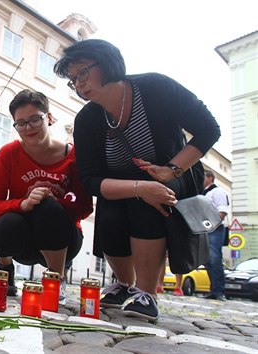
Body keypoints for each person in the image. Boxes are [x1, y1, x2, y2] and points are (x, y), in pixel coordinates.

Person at [54, 39, 220, 321]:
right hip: (122, 184)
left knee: (148, 196)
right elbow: (91, 179)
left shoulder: (157, 87)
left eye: (82, 73)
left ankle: (146, 293)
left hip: (173, 175)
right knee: (116, 202)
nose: (78, 84)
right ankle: (123, 284)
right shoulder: (87, 120)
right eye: (72, 80)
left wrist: (171, 170)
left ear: (107, 63)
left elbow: (208, 129)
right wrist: (137, 187)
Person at [0, 89, 93, 298]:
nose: (28, 128)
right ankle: (5, 269)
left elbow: (85, 207)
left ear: (49, 118)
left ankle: (55, 278)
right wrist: (22, 204)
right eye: (21, 123)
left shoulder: (73, 156)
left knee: (48, 207)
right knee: (7, 222)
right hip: (23, 240)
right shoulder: (8, 154)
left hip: (63, 240)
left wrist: (57, 202)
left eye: (35, 119)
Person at [203, 169, 229, 301]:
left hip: (215, 228)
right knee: (207, 260)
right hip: (205, 229)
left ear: (209, 178)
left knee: (214, 259)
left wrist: (210, 226)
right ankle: (214, 289)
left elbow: (222, 212)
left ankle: (219, 291)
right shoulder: (204, 193)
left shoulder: (217, 191)